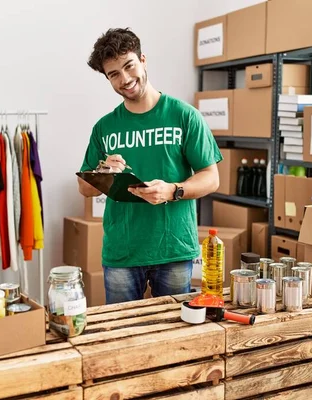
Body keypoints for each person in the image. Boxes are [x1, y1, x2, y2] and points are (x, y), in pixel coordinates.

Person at [77, 27, 223, 304]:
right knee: (122, 334)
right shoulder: (104, 127)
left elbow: (211, 177)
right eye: (114, 74)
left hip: (173, 250)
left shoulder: (184, 116)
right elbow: (84, 189)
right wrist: (102, 173)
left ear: (143, 60)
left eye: (129, 66)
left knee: (172, 337)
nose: (125, 79)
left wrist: (173, 190)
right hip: (122, 252)